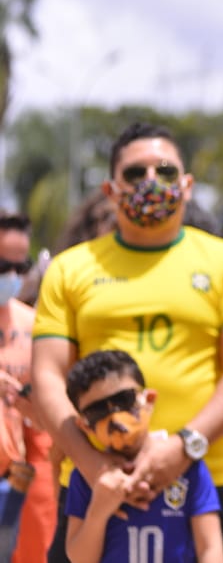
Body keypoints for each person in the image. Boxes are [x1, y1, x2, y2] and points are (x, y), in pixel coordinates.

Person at [30, 121, 223, 563]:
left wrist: (183, 448)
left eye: (164, 170)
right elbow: (46, 376)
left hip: (203, 489)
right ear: (110, 190)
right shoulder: (69, 269)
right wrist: (92, 463)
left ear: (188, 184)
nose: (151, 182)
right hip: (93, 489)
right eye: (135, 174)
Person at [63, 350, 223, 563]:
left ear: (149, 399)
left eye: (124, 399)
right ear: (85, 426)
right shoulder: (85, 478)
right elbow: (80, 559)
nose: (115, 418)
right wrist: (99, 511)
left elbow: (210, 549)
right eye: (97, 411)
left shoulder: (187, 467)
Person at [0, 211, 56, 561]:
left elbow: (41, 427)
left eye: (22, 268)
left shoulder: (32, 324)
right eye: (3, 265)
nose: (12, 277)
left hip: (16, 484)